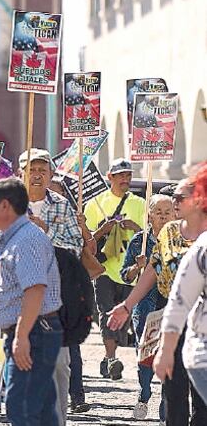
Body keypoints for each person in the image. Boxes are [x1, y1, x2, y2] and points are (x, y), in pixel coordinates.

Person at [108, 176, 207, 426]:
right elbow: (154, 269)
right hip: (172, 315)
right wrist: (127, 305)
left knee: (202, 394)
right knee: (174, 389)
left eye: (180, 196)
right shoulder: (169, 233)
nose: (174, 201)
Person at [0, 177, 62, 426]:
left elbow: (35, 290)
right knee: (41, 409)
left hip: (33, 332)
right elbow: (23, 283)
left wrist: (21, 337)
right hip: (34, 330)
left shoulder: (26, 238)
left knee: (21, 406)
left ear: (5, 206)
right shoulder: (14, 236)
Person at [19, 148, 93, 426]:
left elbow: (75, 247)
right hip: (16, 301)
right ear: (21, 172)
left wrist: (44, 231)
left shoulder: (62, 206)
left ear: (51, 174)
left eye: (42, 168)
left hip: (52, 301)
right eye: (31, 168)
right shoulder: (6, 203)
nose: (37, 173)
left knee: (59, 369)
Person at [85, 158, 146, 381]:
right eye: (120, 175)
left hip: (129, 270)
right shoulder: (95, 204)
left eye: (128, 175)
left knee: (124, 317)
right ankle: (111, 359)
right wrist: (104, 228)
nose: (125, 179)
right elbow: (88, 240)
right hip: (103, 269)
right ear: (109, 177)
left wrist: (135, 228)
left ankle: (109, 355)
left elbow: (149, 236)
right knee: (106, 311)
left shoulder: (140, 204)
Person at [117, 194, 175, 419]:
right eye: (158, 212)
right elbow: (125, 275)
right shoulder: (139, 241)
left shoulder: (179, 241)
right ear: (149, 215)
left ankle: (166, 405)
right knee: (146, 351)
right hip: (145, 306)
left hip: (171, 304)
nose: (162, 216)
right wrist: (136, 267)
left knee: (169, 352)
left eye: (167, 212)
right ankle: (144, 391)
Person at [156, 164, 207, 412]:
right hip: (201, 347)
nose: (175, 202)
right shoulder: (202, 249)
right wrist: (166, 350)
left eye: (180, 197)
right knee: (180, 403)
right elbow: (179, 301)